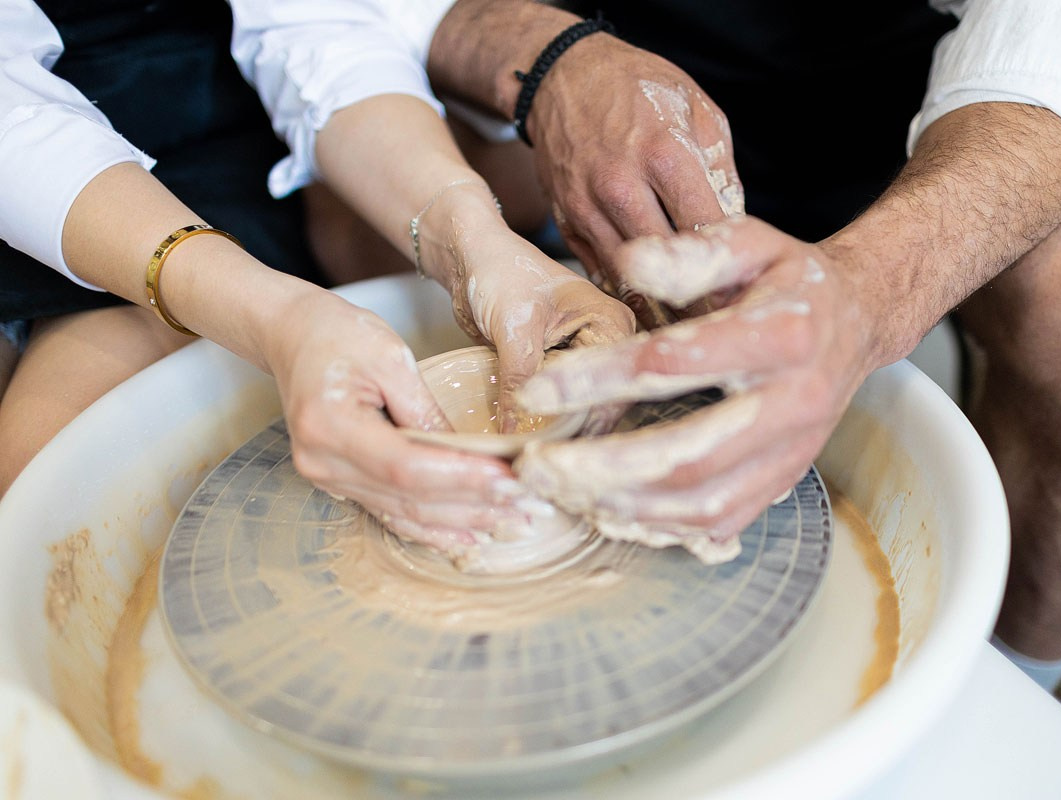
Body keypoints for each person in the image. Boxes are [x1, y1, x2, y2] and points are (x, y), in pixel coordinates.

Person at [414, 0, 1061, 689]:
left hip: (923, 84)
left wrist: (872, 287)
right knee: (374, 209)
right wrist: (548, 55)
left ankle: (1002, 693)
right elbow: (325, 27)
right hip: (580, 49)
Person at [0, 0, 634, 557]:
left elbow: (318, 23)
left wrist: (475, 237)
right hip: (47, 163)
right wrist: (276, 317)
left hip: (229, 109)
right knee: (34, 495)